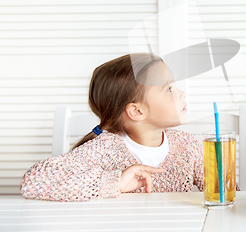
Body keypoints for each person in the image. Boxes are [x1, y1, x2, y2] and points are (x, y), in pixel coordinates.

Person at [21, 53, 203, 201]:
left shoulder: (188, 146)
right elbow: (34, 181)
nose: (183, 93)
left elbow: (225, 192)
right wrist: (115, 182)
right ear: (137, 111)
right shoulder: (105, 148)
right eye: (169, 89)